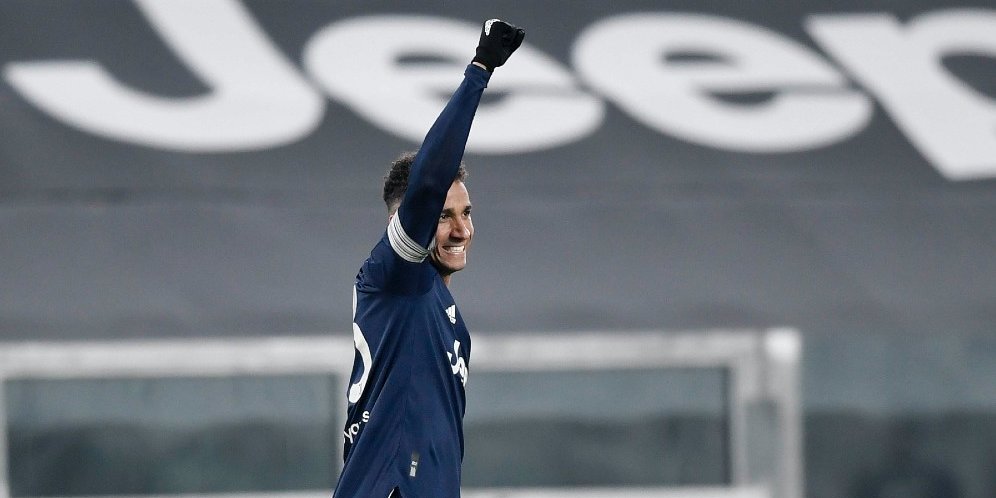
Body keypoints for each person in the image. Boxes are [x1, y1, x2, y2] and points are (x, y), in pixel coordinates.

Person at [331, 19, 525, 498]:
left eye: (466, 213)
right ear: (406, 220)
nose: (461, 230)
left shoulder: (450, 322)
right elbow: (428, 183)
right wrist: (479, 71)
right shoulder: (397, 277)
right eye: (443, 216)